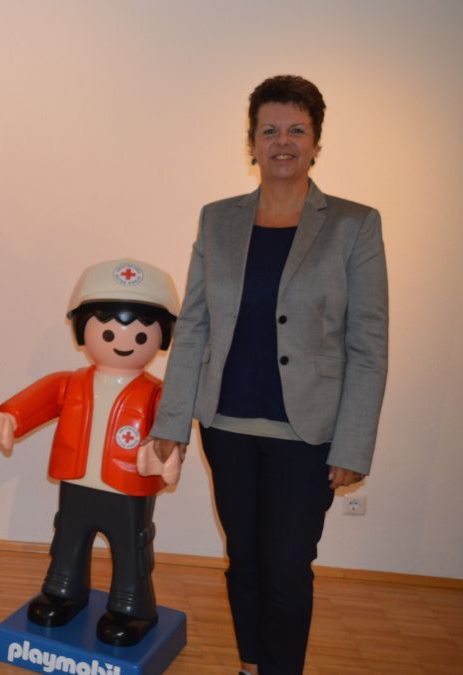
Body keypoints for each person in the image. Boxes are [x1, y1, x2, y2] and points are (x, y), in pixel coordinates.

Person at [148, 75, 388, 674]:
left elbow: (369, 343)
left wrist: (355, 443)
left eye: (297, 130)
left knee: (286, 566)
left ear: (316, 142)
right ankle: (251, 663)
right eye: (270, 130)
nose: (283, 141)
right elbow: (194, 325)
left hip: (307, 435)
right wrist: (173, 420)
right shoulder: (217, 220)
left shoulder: (354, 225)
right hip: (226, 424)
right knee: (246, 560)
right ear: (251, 142)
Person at [0, 259, 179, 647]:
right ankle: (64, 590)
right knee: (68, 537)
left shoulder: (156, 392)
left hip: (128, 487)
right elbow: (34, 402)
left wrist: (168, 453)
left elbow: (172, 426)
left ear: (161, 338)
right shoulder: (69, 383)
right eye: (107, 328)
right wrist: (7, 419)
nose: (123, 340)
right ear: (83, 330)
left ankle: (132, 606)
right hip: (77, 481)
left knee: (131, 548)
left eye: (140, 334)